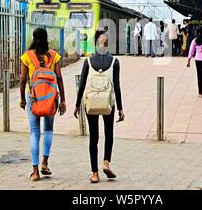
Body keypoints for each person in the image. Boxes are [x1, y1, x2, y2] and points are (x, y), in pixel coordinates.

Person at [74, 30, 125, 184]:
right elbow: (117, 86)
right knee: (108, 133)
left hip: (91, 103)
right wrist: (120, 108)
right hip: (108, 102)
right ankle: (106, 163)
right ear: (107, 43)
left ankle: (95, 173)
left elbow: (82, 85)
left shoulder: (88, 62)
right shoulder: (115, 61)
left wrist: (77, 105)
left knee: (93, 137)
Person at [19, 27, 67, 181]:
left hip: (33, 98)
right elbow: (59, 78)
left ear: (33, 38)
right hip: (51, 98)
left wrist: (22, 99)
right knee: (48, 130)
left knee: (34, 132)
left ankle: (35, 172)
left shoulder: (27, 56)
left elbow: (22, 80)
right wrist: (63, 100)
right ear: (47, 38)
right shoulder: (54, 56)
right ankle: (45, 162)